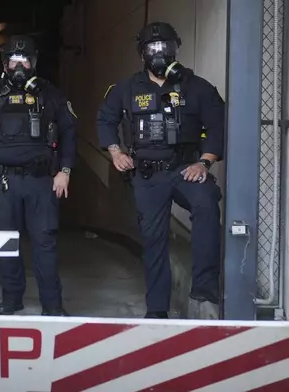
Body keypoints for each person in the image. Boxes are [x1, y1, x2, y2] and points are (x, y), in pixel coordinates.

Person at [96, 22, 225, 319]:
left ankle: (204, 288)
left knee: (206, 204)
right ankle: (157, 310)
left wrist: (204, 161)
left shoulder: (197, 87)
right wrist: (115, 152)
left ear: (176, 48)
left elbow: (218, 125)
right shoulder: (127, 88)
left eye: (165, 47)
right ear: (142, 53)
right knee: (154, 240)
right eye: (151, 48)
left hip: (186, 169)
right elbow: (105, 120)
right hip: (148, 176)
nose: (159, 53)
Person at [0, 35, 76, 316]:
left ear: (33, 62)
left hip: (42, 181)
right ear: (5, 63)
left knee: (44, 242)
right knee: (6, 242)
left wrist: (65, 171)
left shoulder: (50, 94)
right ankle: (11, 298)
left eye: (24, 59)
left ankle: (52, 304)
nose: (19, 65)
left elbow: (70, 133)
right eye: (13, 60)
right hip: (4, 182)